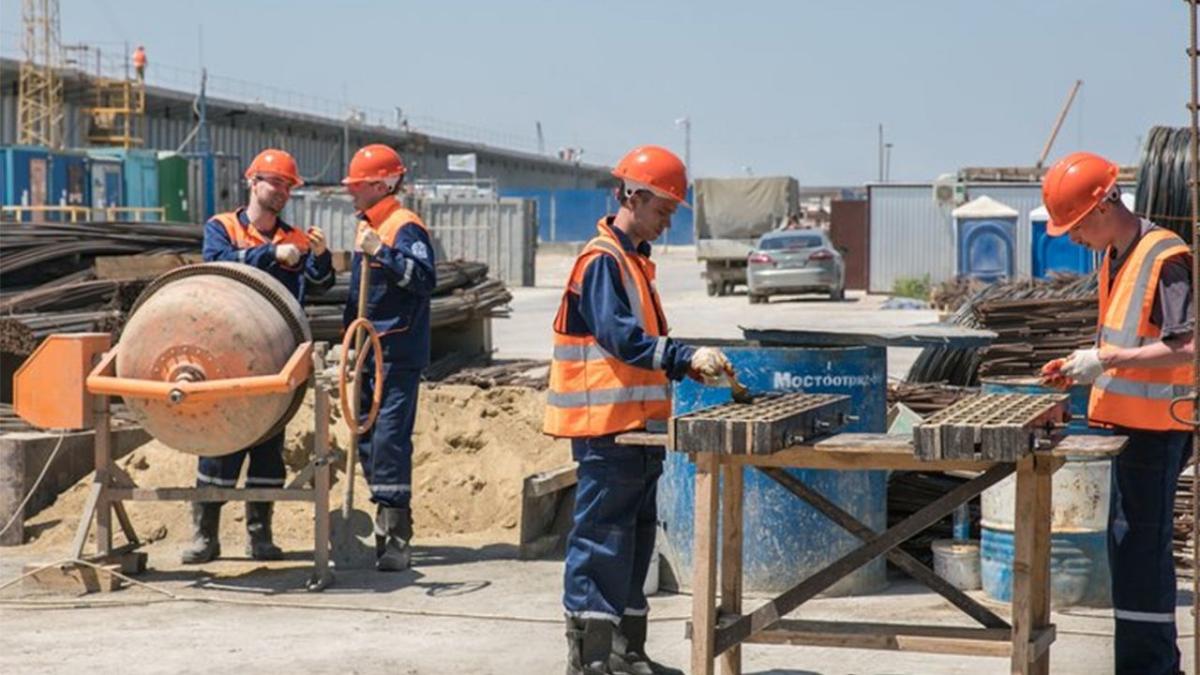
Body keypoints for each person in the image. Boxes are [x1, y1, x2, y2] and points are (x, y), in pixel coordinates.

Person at [544, 145, 733, 675]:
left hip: (637, 431)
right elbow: (623, 340)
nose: (668, 223)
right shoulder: (602, 260)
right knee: (602, 541)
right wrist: (681, 355)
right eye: (663, 211)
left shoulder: (632, 261)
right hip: (607, 431)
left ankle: (628, 655)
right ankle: (591, 661)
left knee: (633, 542)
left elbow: (641, 348)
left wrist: (684, 366)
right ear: (633, 194)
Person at [1039, 151, 1195, 674]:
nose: (1074, 239)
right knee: (1129, 557)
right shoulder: (1116, 257)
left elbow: (1188, 345)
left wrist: (1105, 360)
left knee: (1142, 560)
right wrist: (1082, 368)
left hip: (1157, 431)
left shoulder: (1165, 257)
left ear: (1102, 207)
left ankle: (1151, 669)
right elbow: (1125, 342)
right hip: (1129, 430)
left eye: (1076, 227)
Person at [183, 148, 333, 564]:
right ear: (253, 182)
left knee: (268, 445)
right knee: (220, 442)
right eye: (276, 183)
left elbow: (319, 284)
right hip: (223, 355)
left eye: (288, 185)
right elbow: (216, 264)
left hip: (275, 356)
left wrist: (317, 258)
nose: (283, 191)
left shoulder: (294, 237)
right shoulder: (223, 227)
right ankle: (205, 535)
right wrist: (270, 255)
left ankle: (259, 534)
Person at [341, 143, 436, 571]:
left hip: (396, 353)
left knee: (389, 441)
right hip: (366, 353)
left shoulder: (402, 228)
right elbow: (358, 301)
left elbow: (423, 279)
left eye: (357, 186)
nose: (351, 194)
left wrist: (382, 252)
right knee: (365, 438)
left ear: (381, 184)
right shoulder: (369, 226)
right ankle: (381, 518)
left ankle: (397, 534)